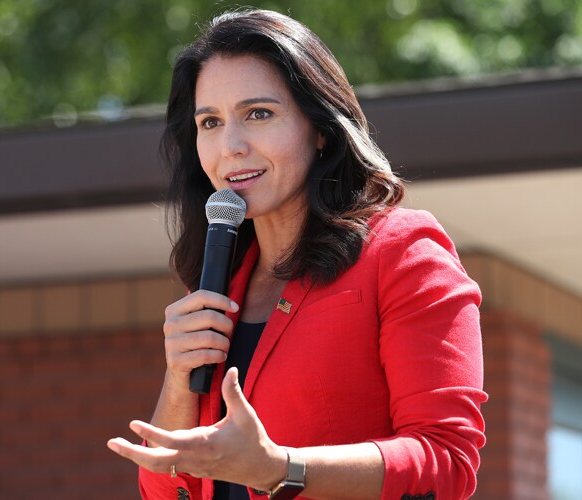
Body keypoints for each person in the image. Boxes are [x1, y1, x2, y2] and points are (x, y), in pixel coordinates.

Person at [107, 8, 486, 500]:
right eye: (210, 122)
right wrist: (180, 381)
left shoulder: (402, 251)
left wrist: (281, 468)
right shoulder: (219, 281)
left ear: (321, 127)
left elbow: (445, 462)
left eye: (258, 114)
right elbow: (164, 490)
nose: (231, 146)